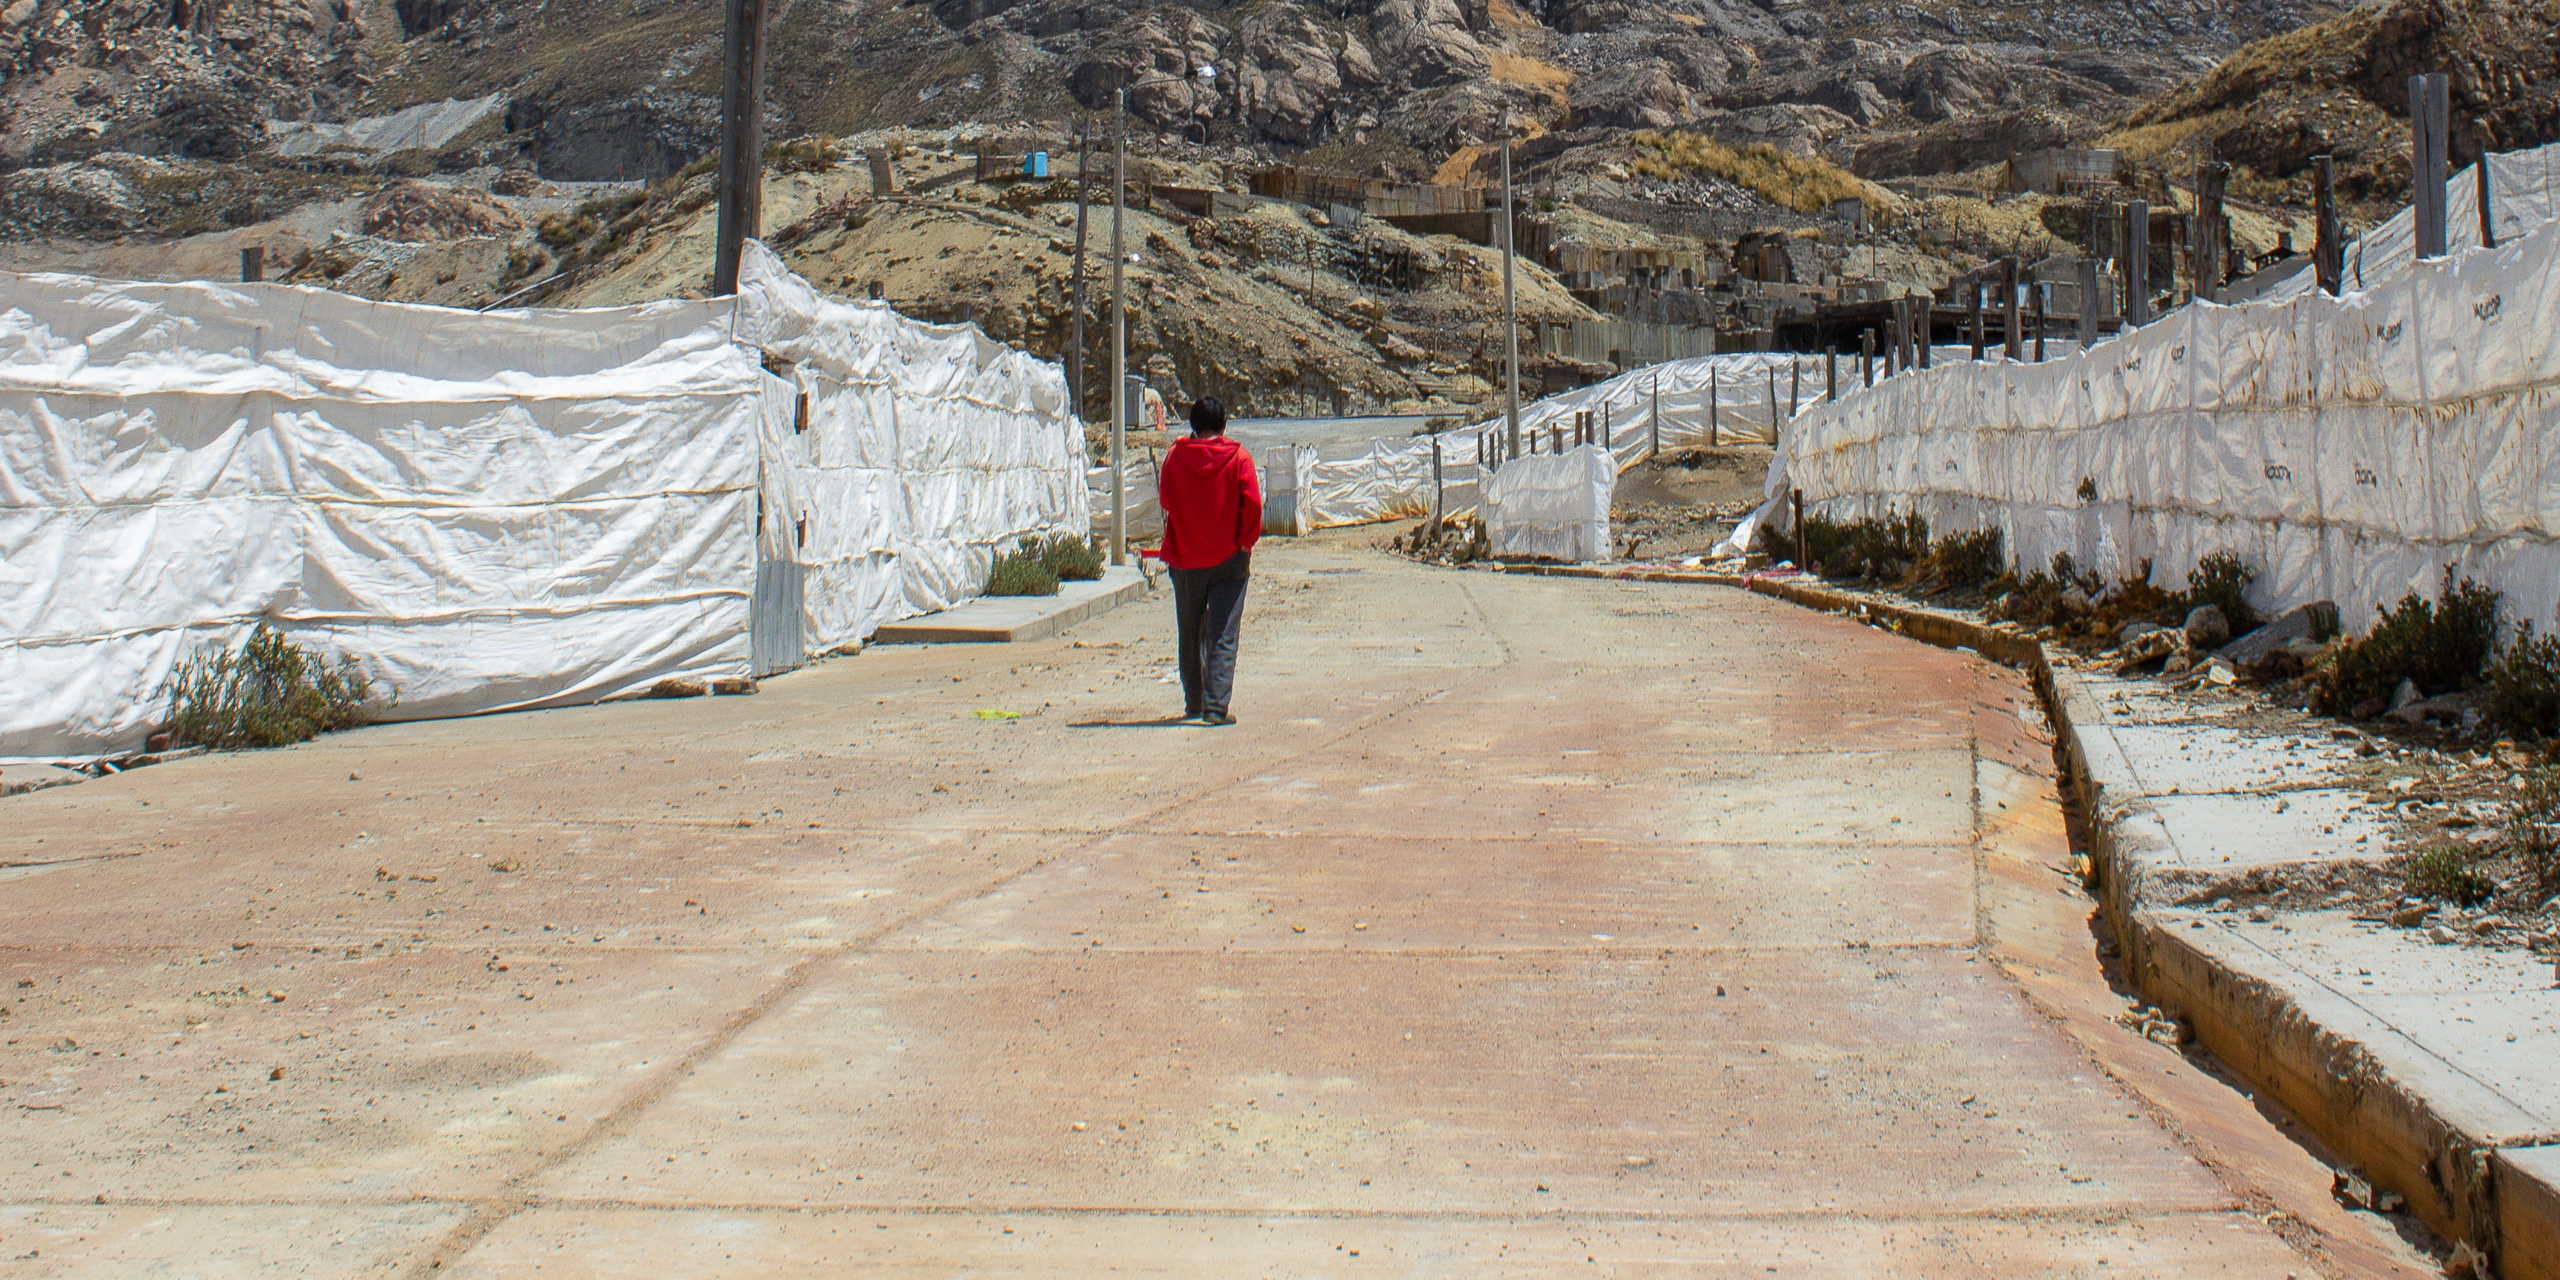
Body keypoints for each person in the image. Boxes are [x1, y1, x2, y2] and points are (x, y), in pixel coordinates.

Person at [1155, 396, 1261, 725]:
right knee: (1223, 632)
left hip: (1185, 559)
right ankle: (1216, 707)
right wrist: (1245, 541)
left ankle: (1194, 702)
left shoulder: (1174, 457)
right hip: (1229, 559)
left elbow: (1166, 500)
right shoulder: (1239, 458)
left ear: (1192, 425)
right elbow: (1253, 505)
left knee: (1190, 631)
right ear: (1224, 424)